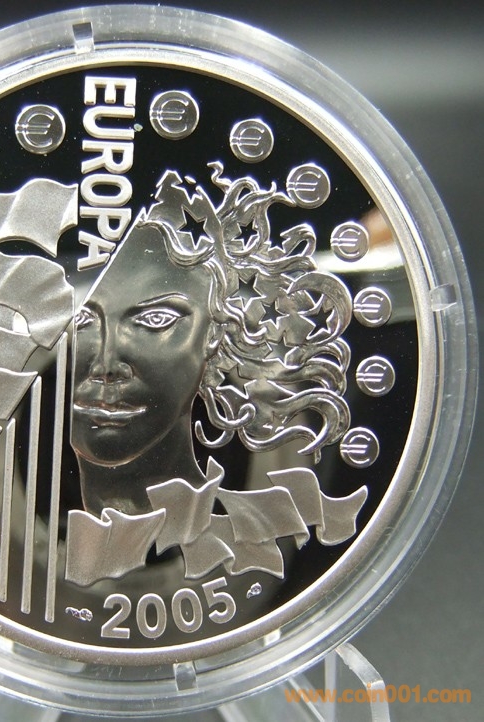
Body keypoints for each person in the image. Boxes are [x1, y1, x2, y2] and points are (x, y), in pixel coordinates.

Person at [64, 166, 363, 587]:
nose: (106, 362)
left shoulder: (263, 535)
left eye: (155, 319)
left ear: (215, 333)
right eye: (81, 321)